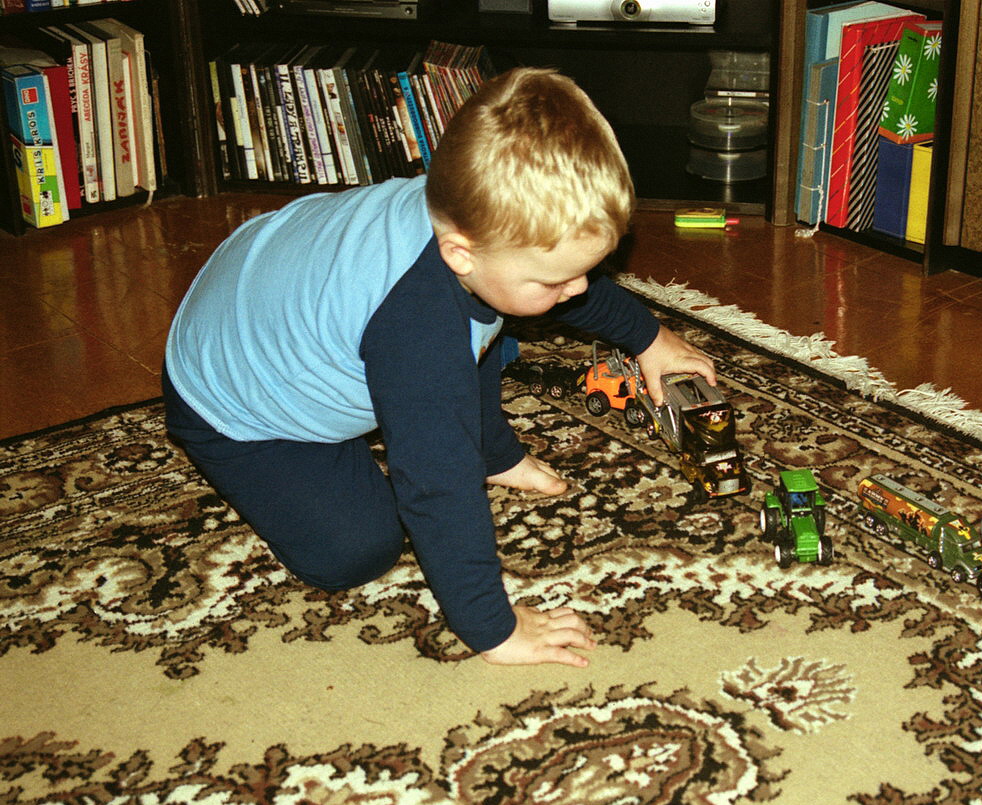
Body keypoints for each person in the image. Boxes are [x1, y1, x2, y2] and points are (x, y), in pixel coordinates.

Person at [162, 67, 715, 669]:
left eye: (588, 269)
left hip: (268, 281)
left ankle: (494, 452)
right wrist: (492, 628)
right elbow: (437, 484)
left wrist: (651, 340)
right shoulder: (418, 328)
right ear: (460, 253)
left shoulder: (462, 212)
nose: (579, 288)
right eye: (557, 278)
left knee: (493, 319)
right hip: (235, 401)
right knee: (357, 550)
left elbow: (554, 291)